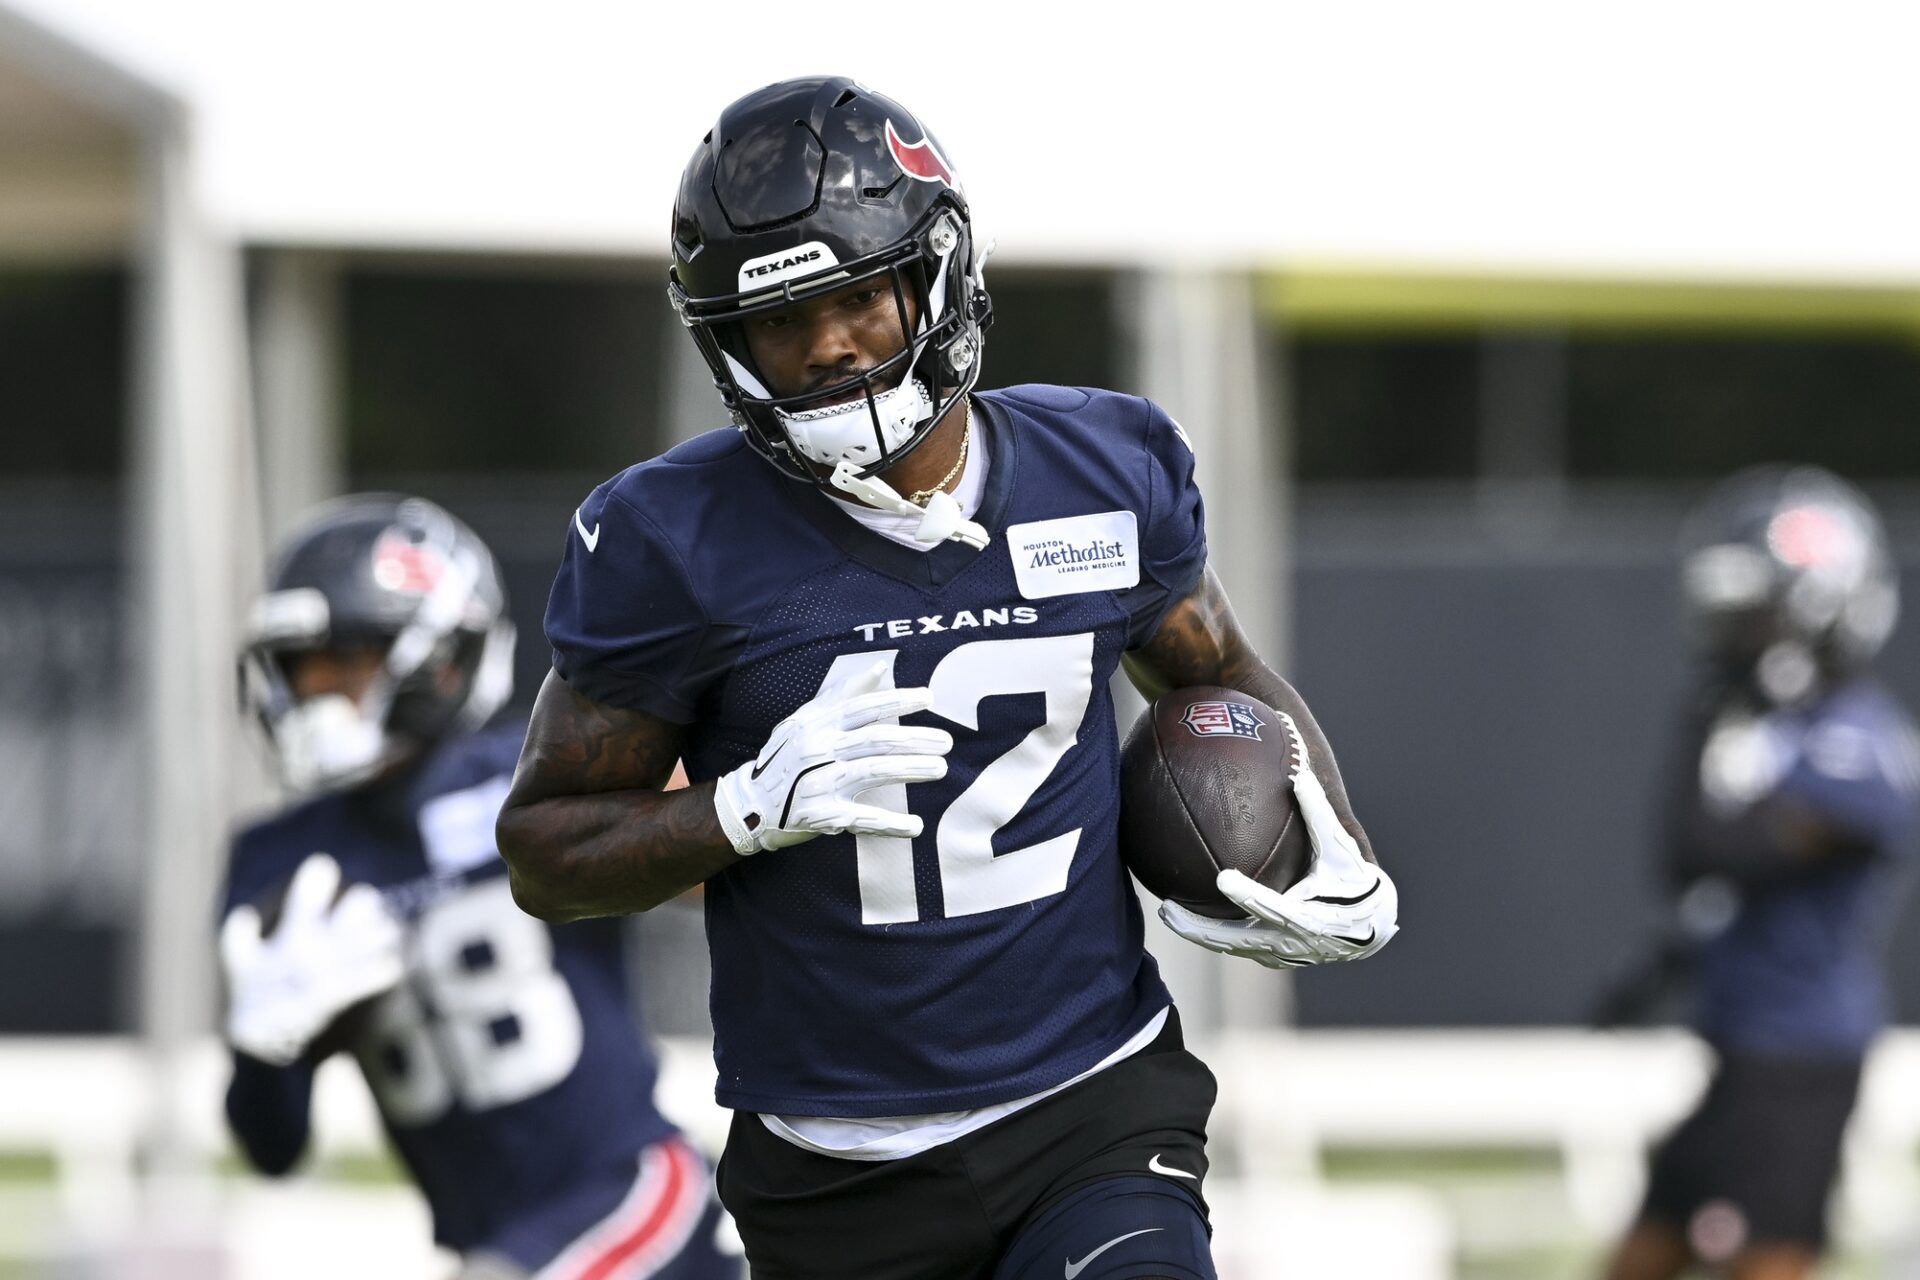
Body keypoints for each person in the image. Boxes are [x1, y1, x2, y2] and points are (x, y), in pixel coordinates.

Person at [496, 76, 1400, 1279]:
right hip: (833, 1170)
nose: (826, 343)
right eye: (780, 320)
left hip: (1093, 1108)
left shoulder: (1107, 469)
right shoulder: (673, 541)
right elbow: (545, 849)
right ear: (729, 341)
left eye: (857, 294)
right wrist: (739, 809)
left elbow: (1218, 674)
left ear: (932, 272)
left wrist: (1328, 836)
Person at [221, 494, 736, 1280]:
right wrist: (264, 1051)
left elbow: (732, 863)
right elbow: (274, 1149)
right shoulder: (278, 862)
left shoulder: (531, 781)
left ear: (440, 659)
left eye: (347, 663)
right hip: (492, 1242)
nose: (317, 693)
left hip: (631, 1194)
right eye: (303, 669)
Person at [1601, 466, 1920, 1280]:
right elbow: (1716, 889)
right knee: (1642, 1255)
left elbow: (1708, 854)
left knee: (1770, 1263)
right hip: (1746, 1046)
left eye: (1756, 616)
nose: (1735, 636)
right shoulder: (1784, 734)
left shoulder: (1859, 748)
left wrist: (1697, 727)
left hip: (1800, 1058)